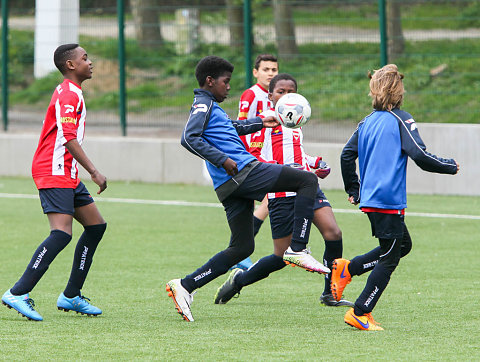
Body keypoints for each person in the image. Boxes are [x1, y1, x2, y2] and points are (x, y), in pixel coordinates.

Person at [166, 56, 328, 322]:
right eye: (225, 81)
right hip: (243, 171)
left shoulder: (212, 108)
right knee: (306, 181)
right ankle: (297, 248)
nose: (228, 87)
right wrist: (223, 159)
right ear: (210, 81)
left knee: (241, 249)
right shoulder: (202, 104)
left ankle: (185, 285)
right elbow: (188, 137)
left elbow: (230, 128)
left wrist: (260, 122)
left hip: (230, 186)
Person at [335, 64, 459, 331]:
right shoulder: (402, 119)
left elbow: (346, 154)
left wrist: (354, 189)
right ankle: (359, 312)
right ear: (398, 91)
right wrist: (449, 165)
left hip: (372, 199)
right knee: (390, 258)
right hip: (387, 200)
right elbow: (420, 156)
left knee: (402, 246)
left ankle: (348, 269)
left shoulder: (366, 122)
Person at [214, 73, 352, 307]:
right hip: (280, 192)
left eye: (291, 92)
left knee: (333, 233)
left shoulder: (296, 121)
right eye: (281, 92)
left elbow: (295, 156)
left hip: (307, 188)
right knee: (281, 257)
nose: (286, 96)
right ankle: (239, 281)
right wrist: (281, 173)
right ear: (271, 96)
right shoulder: (263, 123)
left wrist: (314, 163)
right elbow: (255, 158)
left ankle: (329, 292)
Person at [1, 44, 107, 321]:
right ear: (71, 65)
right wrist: (94, 171)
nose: (90, 61)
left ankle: (71, 295)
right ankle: (18, 292)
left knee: (96, 226)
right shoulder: (69, 94)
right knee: (61, 233)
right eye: (85, 58)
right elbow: (69, 137)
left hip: (66, 171)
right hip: (54, 169)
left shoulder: (71, 92)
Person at [233, 54, 279, 271]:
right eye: (266, 69)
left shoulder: (277, 96)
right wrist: (242, 155)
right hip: (251, 155)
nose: (270, 73)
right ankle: (240, 254)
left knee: (264, 201)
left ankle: (239, 254)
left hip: (268, 155)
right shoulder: (250, 94)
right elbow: (241, 125)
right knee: (270, 198)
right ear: (255, 72)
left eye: (274, 69)